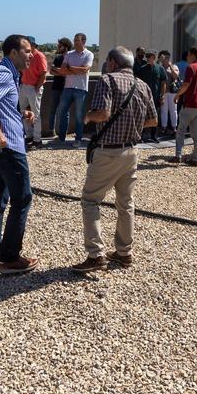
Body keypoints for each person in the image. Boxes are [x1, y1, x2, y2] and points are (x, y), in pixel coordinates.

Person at [71, 47, 157, 272]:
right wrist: (132, 125)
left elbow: (104, 114)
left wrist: (88, 116)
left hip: (108, 151)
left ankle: (95, 255)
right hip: (131, 151)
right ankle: (124, 252)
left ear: (111, 62)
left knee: (90, 201)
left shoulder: (107, 81)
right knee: (126, 203)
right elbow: (153, 121)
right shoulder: (143, 85)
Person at [0, 34, 39, 274]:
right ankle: (10, 258)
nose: (31, 54)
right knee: (22, 198)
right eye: (26, 50)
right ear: (13, 53)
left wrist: (20, 115)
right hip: (7, 147)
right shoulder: (3, 72)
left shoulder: (8, 74)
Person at [55, 32, 94, 145]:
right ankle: (61, 137)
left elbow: (85, 70)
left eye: (77, 40)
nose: (75, 42)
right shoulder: (69, 54)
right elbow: (63, 70)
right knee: (62, 112)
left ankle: (78, 139)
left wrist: (70, 68)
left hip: (81, 89)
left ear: (83, 42)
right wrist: (77, 70)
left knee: (78, 115)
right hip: (67, 87)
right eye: (75, 40)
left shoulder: (89, 54)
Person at [173, 47, 197, 166]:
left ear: (193, 55)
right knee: (196, 132)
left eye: (188, 55)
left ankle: (178, 155)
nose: (187, 57)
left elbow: (186, 84)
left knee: (181, 130)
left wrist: (178, 95)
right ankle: (196, 158)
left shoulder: (191, 67)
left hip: (190, 103)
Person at [19, 38, 47, 148]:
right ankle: (29, 135)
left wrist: (36, 88)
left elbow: (43, 73)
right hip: (24, 85)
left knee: (36, 113)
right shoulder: (26, 55)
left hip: (34, 87)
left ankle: (37, 139)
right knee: (22, 111)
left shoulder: (39, 56)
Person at [42, 37, 70, 145]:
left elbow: (67, 72)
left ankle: (63, 133)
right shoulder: (58, 58)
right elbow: (51, 71)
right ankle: (51, 131)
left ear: (65, 46)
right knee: (52, 110)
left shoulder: (70, 58)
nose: (58, 47)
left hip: (66, 87)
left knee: (64, 111)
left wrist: (59, 71)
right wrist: (61, 72)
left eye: (60, 46)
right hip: (56, 87)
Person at [133, 49, 166, 143]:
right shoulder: (142, 69)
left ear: (154, 58)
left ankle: (153, 136)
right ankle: (141, 136)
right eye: (146, 56)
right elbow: (137, 82)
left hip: (155, 97)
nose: (147, 58)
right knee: (142, 115)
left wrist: (162, 96)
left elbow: (163, 83)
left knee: (155, 116)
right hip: (144, 97)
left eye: (149, 56)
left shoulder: (160, 68)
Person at [158, 49, 179, 136]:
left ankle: (174, 128)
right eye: (164, 57)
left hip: (172, 91)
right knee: (163, 110)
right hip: (163, 91)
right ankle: (164, 127)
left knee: (173, 110)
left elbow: (176, 76)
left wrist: (170, 66)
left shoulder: (174, 66)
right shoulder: (159, 67)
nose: (166, 59)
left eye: (167, 57)